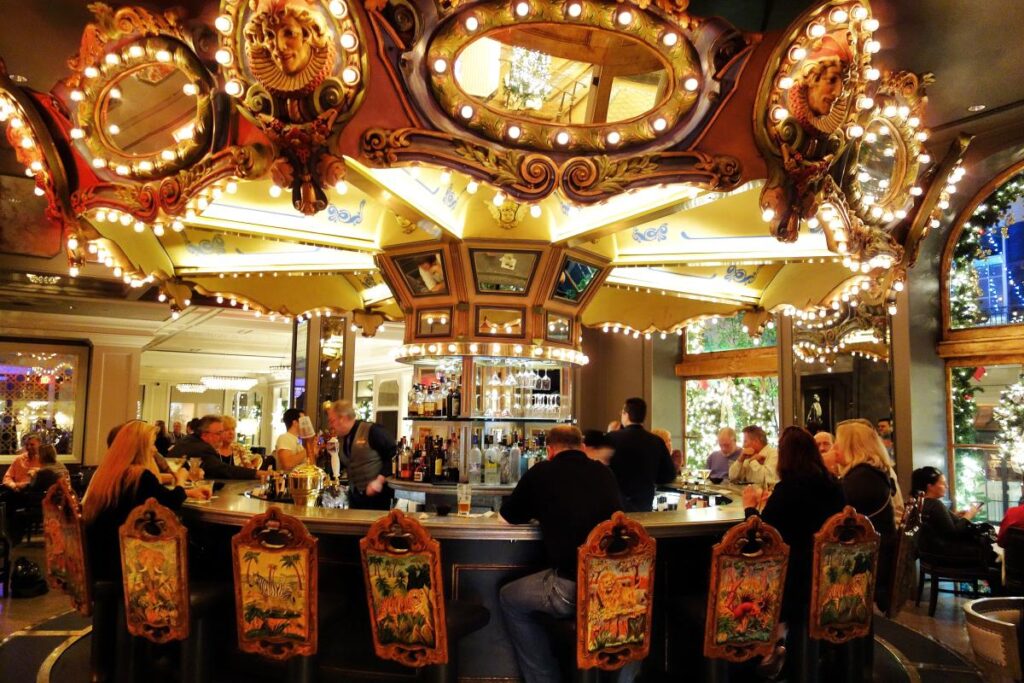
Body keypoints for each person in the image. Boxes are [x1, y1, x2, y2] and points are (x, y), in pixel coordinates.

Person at [499, 426, 622, 683]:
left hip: (571, 588)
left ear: (550, 450)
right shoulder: (605, 473)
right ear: (581, 445)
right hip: (616, 588)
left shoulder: (542, 472)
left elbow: (507, 517)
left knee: (509, 597)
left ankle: (544, 678)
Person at [742, 426, 845, 626]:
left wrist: (750, 507)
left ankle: (773, 640)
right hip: (830, 575)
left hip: (792, 580)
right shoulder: (835, 486)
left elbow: (764, 535)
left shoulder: (787, 489)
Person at [83, 421, 208, 583]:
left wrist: (187, 491)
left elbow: (154, 495)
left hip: (99, 555)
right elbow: (171, 503)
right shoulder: (139, 476)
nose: (155, 449)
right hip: (124, 561)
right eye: (152, 444)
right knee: (204, 558)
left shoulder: (108, 473)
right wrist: (181, 480)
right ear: (141, 447)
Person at [833, 420, 898, 609]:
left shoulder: (863, 478)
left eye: (838, 441)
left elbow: (833, 513)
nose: (835, 446)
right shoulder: (868, 474)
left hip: (866, 564)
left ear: (851, 446)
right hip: (873, 554)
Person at [912, 466, 998, 568]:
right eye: (943, 483)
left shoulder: (920, 503)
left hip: (930, 554)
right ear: (930, 486)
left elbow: (940, 526)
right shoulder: (935, 504)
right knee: (995, 556)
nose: (947, 486)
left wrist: (954, 515)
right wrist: (969, 515)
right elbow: (954, 533)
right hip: (946, 555)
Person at [607, 398, 676, 512]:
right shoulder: (656, 441)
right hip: (644, 504)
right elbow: (668, 475)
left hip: (616, 504)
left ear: (626, 414)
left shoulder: (611, 438)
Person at [327, 400, 396, 510]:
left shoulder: (372, 430)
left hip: (377, 498)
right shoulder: (342, 439)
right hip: (355, 497)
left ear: (342, 418)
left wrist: (379, 481)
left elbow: (393, 455)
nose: (330, 425)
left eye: (332, 421)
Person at [169, 415, 258, 480]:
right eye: (220, 433)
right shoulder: (204, 448)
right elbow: (223, 470)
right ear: (205, 435)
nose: (230, 433)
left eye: (233, 429)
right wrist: (259, 474)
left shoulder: (189, 440)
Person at [274, 408, 305, 472]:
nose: (305, 424)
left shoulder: (297, 440)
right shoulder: (284, 438)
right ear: (295, 422)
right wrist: (307, 450)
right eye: (303, 421)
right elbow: (287, 464)